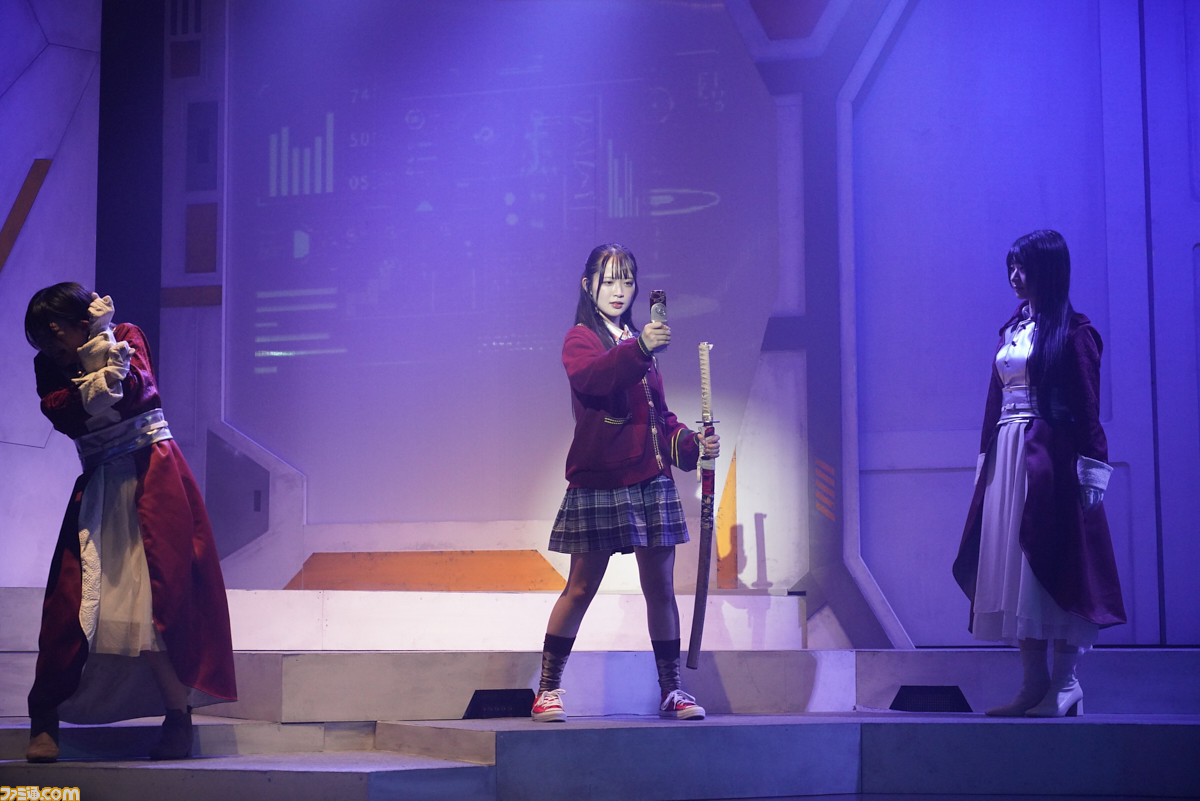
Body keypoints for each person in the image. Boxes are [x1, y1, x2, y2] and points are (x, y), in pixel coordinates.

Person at [23, 283, 237, 762]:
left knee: (161, 602)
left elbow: (137, 393)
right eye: (45, 344)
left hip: (154, 481)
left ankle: (178, 719)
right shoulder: (49, 365)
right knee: (70, 604)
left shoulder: (125, 336)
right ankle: (45, 721)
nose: (53, 350)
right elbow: (65, 413)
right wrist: (93, 377)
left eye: (56, 337)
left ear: (79, 323)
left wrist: (98, 356)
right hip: (102, 488)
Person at [531, 244, 720, 723]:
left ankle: (672, 691)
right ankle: (547, 690)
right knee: (580, 588)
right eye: (609, 280)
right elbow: (595, 379)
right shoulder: (582, 339)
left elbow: (658, 417)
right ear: (587, 284)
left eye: (628, 281)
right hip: (601, 480)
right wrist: (640, 349)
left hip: (649, 480)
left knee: (660, 589)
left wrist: (692, 444)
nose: (619, 290)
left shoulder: (639, 342)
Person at [953, 230, 1125, 718]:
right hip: (1008, 454)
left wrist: (1092, 470)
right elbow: (994, 403)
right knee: (1015, 569)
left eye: (1023, 267)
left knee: (1051, 563)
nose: (1014, 276)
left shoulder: (1074, 333)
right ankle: (1033, 684)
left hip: (1049, 459)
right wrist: (985, 461)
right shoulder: (1013, 329)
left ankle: (1066, 683)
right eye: (1010, 266)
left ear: (1048, 270)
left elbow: (1087, 409)